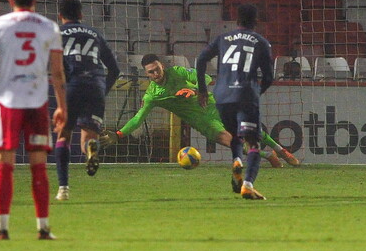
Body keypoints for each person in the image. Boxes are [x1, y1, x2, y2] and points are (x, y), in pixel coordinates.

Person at [100, 53, 298, 191]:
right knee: (231, 141)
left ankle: (281, 151)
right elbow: (137, 118)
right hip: (201, 121)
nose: (155, 74)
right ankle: (267, 154)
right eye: (151, 72)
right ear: (146, 74)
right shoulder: (153, 96)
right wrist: (119, 134)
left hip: (212, 105)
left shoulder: (177, 72)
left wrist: (194, 90)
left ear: (162, 66)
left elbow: (204, 77)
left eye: (157, 69)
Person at [0, 0, 67, 241]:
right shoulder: (49, 27)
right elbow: (57, 72)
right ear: (34, 2)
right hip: (37, 103)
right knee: (39, 166)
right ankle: (44, 228)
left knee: (5, 164)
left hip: (8, 104)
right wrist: (62, 106)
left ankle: (2, 229)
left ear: (11, 1)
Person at [196, 4, 274, 200]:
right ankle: (247, 184)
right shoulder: (261, 42)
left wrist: (203, 90)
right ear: (255, 22)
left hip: (222, 97)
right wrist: (256, 92)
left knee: (235, 136)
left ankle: (237, 160)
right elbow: (269, 77)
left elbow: (201, 59)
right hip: (246, 96)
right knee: (253, 142)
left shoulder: (223, 39)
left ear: (236, 20)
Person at [54, 0, 120, 202]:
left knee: (64, 135)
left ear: (60, 16)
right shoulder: (95, 34)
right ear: (81, 15)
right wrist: (103, 91)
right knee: (88, 137)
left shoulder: (57, 34)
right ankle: (91, 149)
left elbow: (57, 68)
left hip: (73, 86)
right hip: (96, 87)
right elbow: (115, 70)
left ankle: (63, 188)